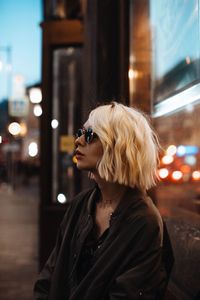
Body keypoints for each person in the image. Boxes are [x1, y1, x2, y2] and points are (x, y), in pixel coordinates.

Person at [34, 102, 174, 300]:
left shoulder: (144, 221)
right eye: (80, 133)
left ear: (118, 145)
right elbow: (50, 276)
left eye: (90, 135)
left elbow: (128, 293)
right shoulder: (81, 205)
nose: (79, 141)